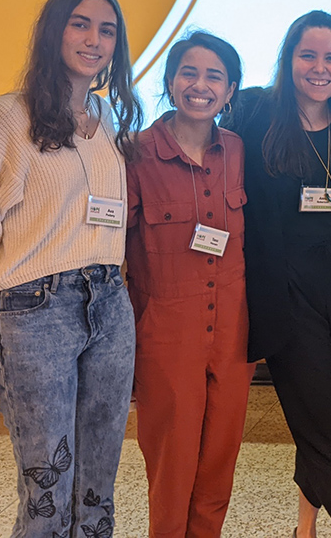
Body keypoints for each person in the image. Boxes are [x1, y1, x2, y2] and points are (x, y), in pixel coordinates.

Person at [0, 0, 142, 536]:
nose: (94, 39)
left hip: (110, 307)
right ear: (53, 31)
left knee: (97, 486)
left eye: (107, 30)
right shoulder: (5, 119)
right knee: (46, 490)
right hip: (35, 315)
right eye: (79, 24)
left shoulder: (108, 120)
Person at [221, 10, 331, 538]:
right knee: (321, 413)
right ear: (288, 59)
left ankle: (304, 525)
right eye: (308, 55)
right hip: (284, 290)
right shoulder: (252, 113)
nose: (320, 68)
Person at [125, 32, 254, 537]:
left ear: (231, 89)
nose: (200, 86)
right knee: (172, 468)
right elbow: (112, 252)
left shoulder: (240, 152)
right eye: (189, 73)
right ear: (170, 80)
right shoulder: (136, 154)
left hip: (232, 336)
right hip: (165, 337)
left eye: (214, 76)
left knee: (219, 465)